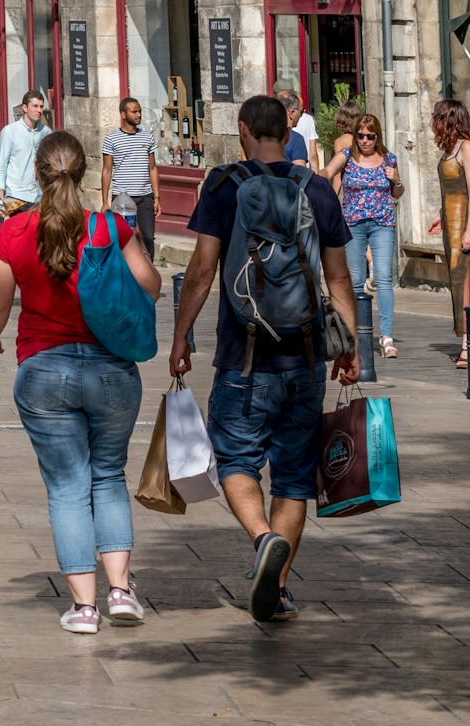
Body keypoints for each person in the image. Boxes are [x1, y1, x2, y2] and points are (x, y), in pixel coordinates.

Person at [170, 92, 358, 624]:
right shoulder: (318, 190)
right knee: (296, 478)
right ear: (287, 130)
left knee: (235, 461)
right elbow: (338, 277)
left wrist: (182, 335)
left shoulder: (223, 186)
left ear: (245, 129)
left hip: (242, 357)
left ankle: (262, 539)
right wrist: (349, 346)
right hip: (305, 357)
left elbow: (204, 270)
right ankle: (274, 591)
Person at [0, 131, 162, 633]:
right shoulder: (108, 227)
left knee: (66, 486)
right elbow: (152, 284)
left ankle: (84, 608)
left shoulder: (14, 232)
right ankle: (121, 593)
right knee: (108, 477)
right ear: (82, 174)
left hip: (43, 371)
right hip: (111, 371)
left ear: (37, 174)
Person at [330, 111, 401, 359]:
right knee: (355, 278)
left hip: (382, 223)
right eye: (360, 136)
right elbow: (327, 173)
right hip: (352, 224)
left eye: (370, 136)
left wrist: (397, 181)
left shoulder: (389, 159)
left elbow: (397, 193)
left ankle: (386, 337)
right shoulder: (347, 156)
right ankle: (354, 335)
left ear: (377, 136)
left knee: (383, 278)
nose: (365, 141)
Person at [429, 97, 470, 367]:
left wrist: (469, 229)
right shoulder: (449, 150)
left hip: (465, 225)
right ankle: (465, 340)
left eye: (438, 118)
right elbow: (452, 189)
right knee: (455, 283)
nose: (434, 123)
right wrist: (441, 215)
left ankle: (467, 345)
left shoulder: (466, 147)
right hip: (451, 227)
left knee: (465, 283)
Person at [100, 97, 160, 255]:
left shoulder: (147, 137)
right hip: (122, 199)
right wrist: (105, 201)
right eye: (134, 112)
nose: (138, 114)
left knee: (148, 238)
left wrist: (157, 197)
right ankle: (125, 274)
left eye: (139, 111)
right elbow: (106, 170)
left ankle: (148, 275)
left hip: (145, 197)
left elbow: (152, 168)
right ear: (123, 114)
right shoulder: (111, 139)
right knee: (123, 238)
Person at [0, 89, 50, 213]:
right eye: (35, 106)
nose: (39, 110)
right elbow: (2, 163)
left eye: (41, 107)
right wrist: (0, 192)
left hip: (39, 195)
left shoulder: (46, 132)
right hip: (15, 194)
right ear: (25, 108)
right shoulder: (9, 131)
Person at [276, 85, 322, 174]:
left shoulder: (262, 133)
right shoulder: (296, 138)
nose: (301, 115)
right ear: (291, 113)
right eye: (301, 112)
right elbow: (300, 176)